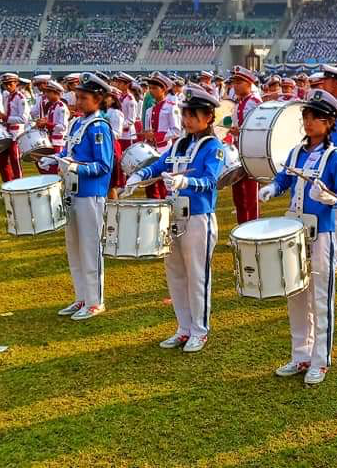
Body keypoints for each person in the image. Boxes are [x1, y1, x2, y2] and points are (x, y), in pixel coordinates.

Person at [260, 89, 337, 386]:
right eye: (306, 117)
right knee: (296, 294)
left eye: (314, 118)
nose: (308, 122)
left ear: (328, 124)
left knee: (320, 298)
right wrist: (273, 189)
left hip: (322, 233)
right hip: (295, 232)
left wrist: (329, 198)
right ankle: (300, 354)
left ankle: (320, 359)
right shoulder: (296, 152)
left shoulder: (333, 157)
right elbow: (283, 178)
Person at [125, 85, 224, 353]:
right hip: (174, 216)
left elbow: (210, 180)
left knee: (197, 275)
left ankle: (200, 330)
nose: (188, 119)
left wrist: (185, 180)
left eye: (194, 114)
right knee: (175, 274)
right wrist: (139, 175)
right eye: (186, 114)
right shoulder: (180, 143)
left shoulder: (213, 146)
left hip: (198, 217)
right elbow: (161, 164)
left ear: (209, 117)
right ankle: (183, 327)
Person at [39, 73, 115, 321]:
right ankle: (81, 296)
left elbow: (104, 166)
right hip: (71, 192)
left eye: (84, 97)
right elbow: (67, 150)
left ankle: (95, 301)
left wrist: (75, 167)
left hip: (91, 195)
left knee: (91, 248)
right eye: (78, 96)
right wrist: (53, 157)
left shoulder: (100, 127)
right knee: (74, 247)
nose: (78, 101)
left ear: (98, 99)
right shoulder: (76, 123)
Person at [227, 66, 261, 222]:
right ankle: (241, 226)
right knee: (238, 194)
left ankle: (252, 225)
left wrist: (240, 131)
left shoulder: (254, 102)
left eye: (239, 82)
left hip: (250, 151)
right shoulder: (239, 103)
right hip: (238, 151)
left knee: (250, 194)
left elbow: (260, 127)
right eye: (234, 82)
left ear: (249, 83)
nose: (235, 86)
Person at [143, 72, 182, 200]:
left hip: (164, 150)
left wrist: (157, 136)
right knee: (150, 183)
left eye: (155, 88)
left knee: (163, 183)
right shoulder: (150, 110)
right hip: (151, 151)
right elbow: (149, 129)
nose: (151, 91)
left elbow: (176, 130)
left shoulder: (171, 107)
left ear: (163, 89)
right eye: (150, 88)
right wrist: (147, 136)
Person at [0, 73, 29, 183]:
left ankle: (19, 183)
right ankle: (7, 184)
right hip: (5, 132)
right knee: (1, 160)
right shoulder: (6, 97)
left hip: (15, 133)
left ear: (16, 83)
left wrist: (5, 117)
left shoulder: (21, 98)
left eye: (10, 84)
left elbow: (23, 119)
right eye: (5, 84)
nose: (8, 86)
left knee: (15, 160)